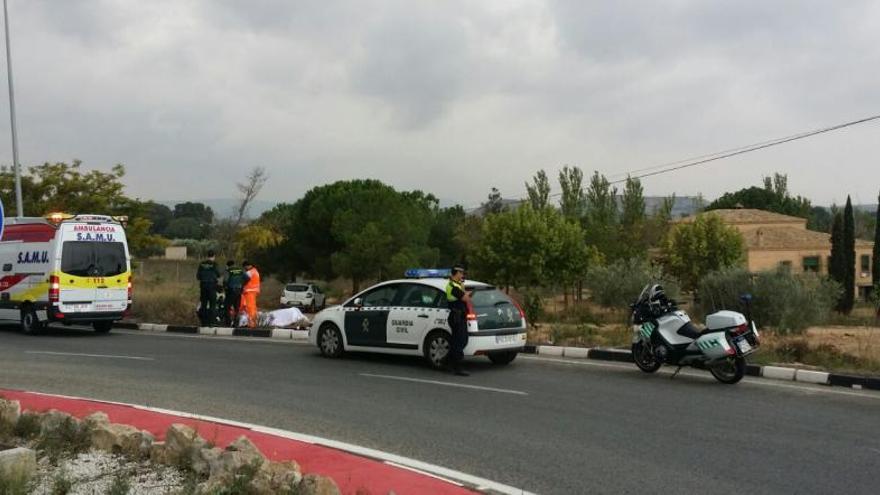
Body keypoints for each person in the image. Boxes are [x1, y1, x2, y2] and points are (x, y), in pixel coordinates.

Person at [445, 266, 471, 376]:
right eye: (461, 273)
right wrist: (467, 293)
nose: (462, 275)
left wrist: (463, 287)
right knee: (459, 341)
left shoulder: (458, 285)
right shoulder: (452, 286)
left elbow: (464, 295)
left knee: (461, 340)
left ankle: (446, 361)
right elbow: (465, 298)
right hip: (456, 317)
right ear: (456, 273)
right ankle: (457, 367)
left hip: (460, 316)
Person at [196, 250, 221, 325]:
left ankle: (203, 323)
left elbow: (198, 276)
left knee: (203, 304)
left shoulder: (202, 264)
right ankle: (211, 322)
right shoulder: (214, 264)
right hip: (212, 286)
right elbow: (218, 274)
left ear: (207, 256)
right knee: (212, 305)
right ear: (214, 256)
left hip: (203, 286)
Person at [223, 260, 249, 327]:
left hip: (230, 291)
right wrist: (242, 284)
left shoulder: (229, 270)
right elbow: (247, 278)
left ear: (228, 265)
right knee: (236, 308)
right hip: (239, 291)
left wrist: (225, 287)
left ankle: (228, 323)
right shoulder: (240, 270)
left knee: (227, 307)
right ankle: (236, 323)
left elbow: (225, 280)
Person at [240, 260, 261, 328]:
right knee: (253, 307)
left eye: (245, 267)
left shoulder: (250, 272)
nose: (244, 269)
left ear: (248, 266)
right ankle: (253, 322)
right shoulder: (255, 271)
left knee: (250, 308)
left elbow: (243, 280)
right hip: (254, 291)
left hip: (249, 291)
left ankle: (251, 323)